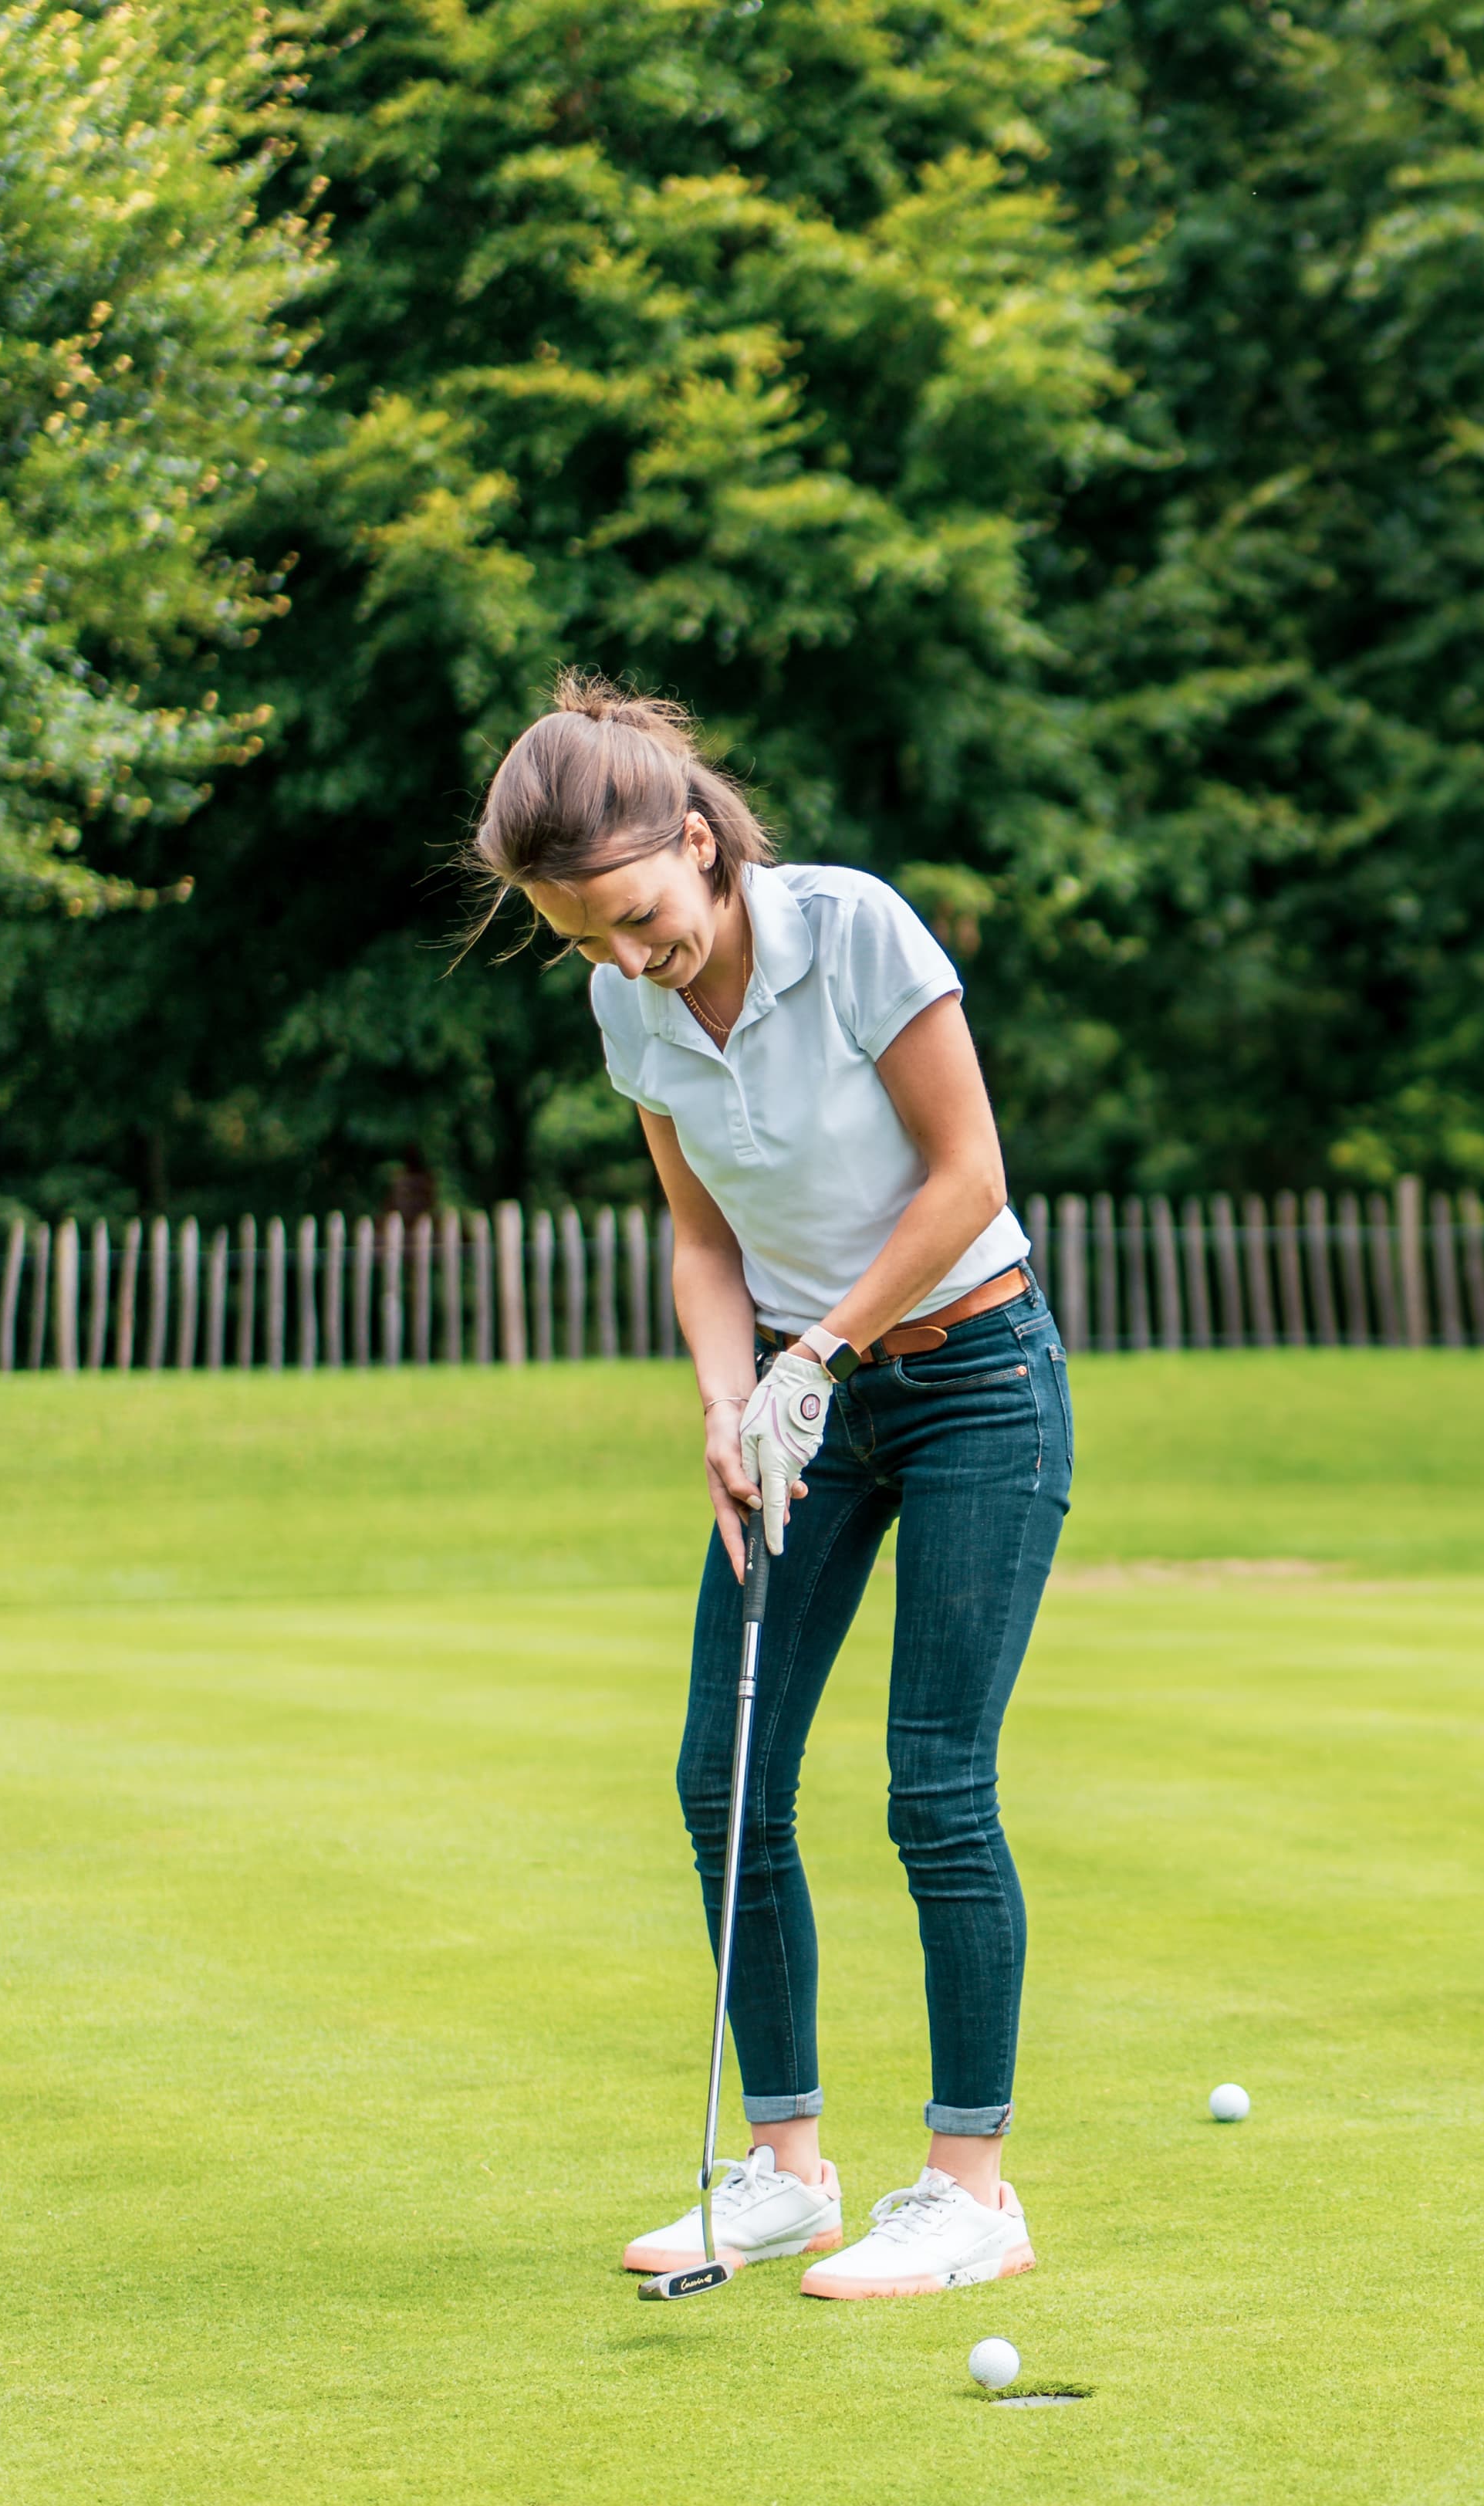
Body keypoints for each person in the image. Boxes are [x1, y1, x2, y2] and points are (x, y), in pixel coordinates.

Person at [468, 673, 1069, 2293]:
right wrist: (730, 1402)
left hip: (973, 1379)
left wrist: (820, 1355)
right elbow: (701, 1235)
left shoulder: (855, 930)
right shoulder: (630, 1010)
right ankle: (790, 2174)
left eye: (637, 918)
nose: (625, 958)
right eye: (583, 940)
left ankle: (971, 2194)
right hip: (806, 1403)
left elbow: (968, 1178)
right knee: (723, 1778)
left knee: (934, 1783)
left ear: (695, 838)